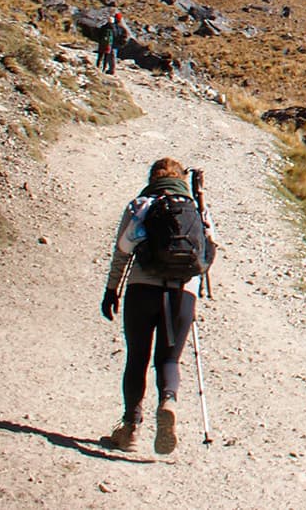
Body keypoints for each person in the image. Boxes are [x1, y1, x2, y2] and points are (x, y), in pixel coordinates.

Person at [99, 157, 214, 454]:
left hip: (141, 289)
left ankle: (130, 428)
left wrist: (112, 289)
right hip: (183, 292)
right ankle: (168, 402)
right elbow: (210, 249)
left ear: (153, 177)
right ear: (180, 178)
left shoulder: (141, 204)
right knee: (169, 359)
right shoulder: (196, 209)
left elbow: (122, 250)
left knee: (137, 357)